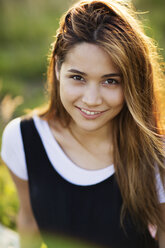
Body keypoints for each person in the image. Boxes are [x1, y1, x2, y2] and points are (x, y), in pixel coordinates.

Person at [1, 0, 165, 247]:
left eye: (110, 81)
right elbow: (28, 221)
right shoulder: (22, 139)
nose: (91, 100)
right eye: (78, 77)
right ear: (57, 67)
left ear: (132, 82)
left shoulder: (154, 153)